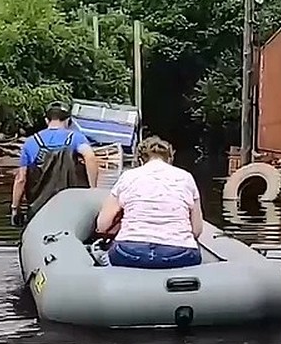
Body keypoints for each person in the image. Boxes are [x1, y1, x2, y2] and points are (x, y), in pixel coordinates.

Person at [94, 136, 203, 269]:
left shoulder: (128, 177)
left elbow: (103, 224)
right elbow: (196, 230)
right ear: (170, 159)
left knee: (104, 254)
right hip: (180, 254)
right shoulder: (186, 178)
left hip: (128, 252)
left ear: (140, 160)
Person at [11, 102, 100, 226]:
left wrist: (15, 208)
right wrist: (92, 190)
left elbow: (21, 179)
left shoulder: (31, 142)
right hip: (71, 208)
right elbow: (90, 157)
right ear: (68, 120)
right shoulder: (76, 138)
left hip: (39, 209)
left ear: (46, 120)